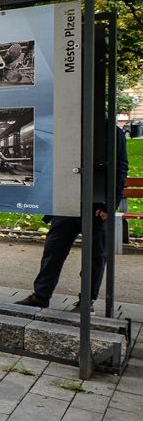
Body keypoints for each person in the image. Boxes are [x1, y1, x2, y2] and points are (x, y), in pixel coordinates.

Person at [16, 123, 129, 312]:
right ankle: (41, 297)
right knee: (53, 250)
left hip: (96, 205)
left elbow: (121, 167)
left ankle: (86, 301)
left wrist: (109, 205)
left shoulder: (111, 130)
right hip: (67, 201)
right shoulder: (69, 124)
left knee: (95, 255)